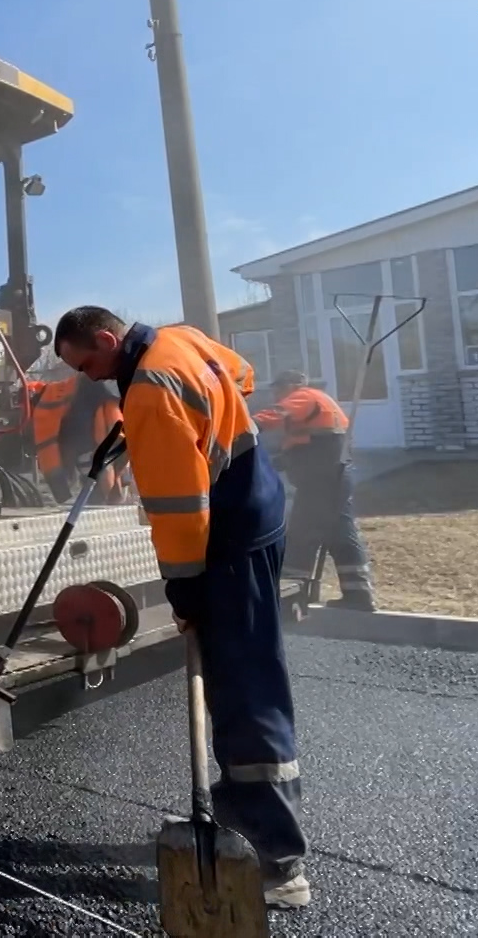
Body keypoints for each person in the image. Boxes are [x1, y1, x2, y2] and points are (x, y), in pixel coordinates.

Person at [52, 306, 310, 911]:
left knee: (245, 686)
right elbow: (239, 377)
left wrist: (186, 593)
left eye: (86, 363)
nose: (88, 378)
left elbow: (178, 513)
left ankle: (277, 860)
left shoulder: (148, 393)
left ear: (109, 340)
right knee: (237, 679)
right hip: (259, 513)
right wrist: (190, 420)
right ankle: (238, 822)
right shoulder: (181, 340)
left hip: (229, 537)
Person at [254, 370, 376, 612]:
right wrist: (281, 462)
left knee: (302, 533)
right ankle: (358, 594)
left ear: (292, 385)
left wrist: (241, 425)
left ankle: (291, 596)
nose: (276, 396)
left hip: (321, 481)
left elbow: (274, 416)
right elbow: (312, 445)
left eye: (278, 389)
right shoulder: (320, 403)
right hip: (333, 476)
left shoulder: (304, 397)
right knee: (340, 534)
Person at [29, 372, 128, 504]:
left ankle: (100, 494)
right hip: (94, 438)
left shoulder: (101, 402)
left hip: (99, 438)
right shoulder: (96, 401)